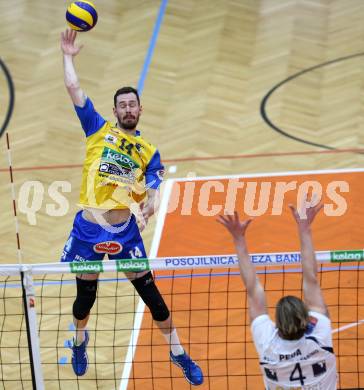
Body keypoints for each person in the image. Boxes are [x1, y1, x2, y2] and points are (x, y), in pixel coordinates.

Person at [59, 29, 203, 386]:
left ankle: (179, 353)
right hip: (89, 230)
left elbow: (154, 189)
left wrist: (150, 206)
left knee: (155, 301)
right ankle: (79, 342)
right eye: (121, 105)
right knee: (84, 301)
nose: (127, 109)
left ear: (140, 110)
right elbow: (75, 91)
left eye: (132, 104)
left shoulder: (149, 152)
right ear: (114, 111)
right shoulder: (96, 129)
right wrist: (68, 56)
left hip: (125, 234)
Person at [217, 200, 337, 389]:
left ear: (277, 325)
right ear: (307, 320)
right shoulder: (320, 333)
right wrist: (305, 228)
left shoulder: (267, 342)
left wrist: (238, 239)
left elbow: (252, 288)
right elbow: (311, 279)